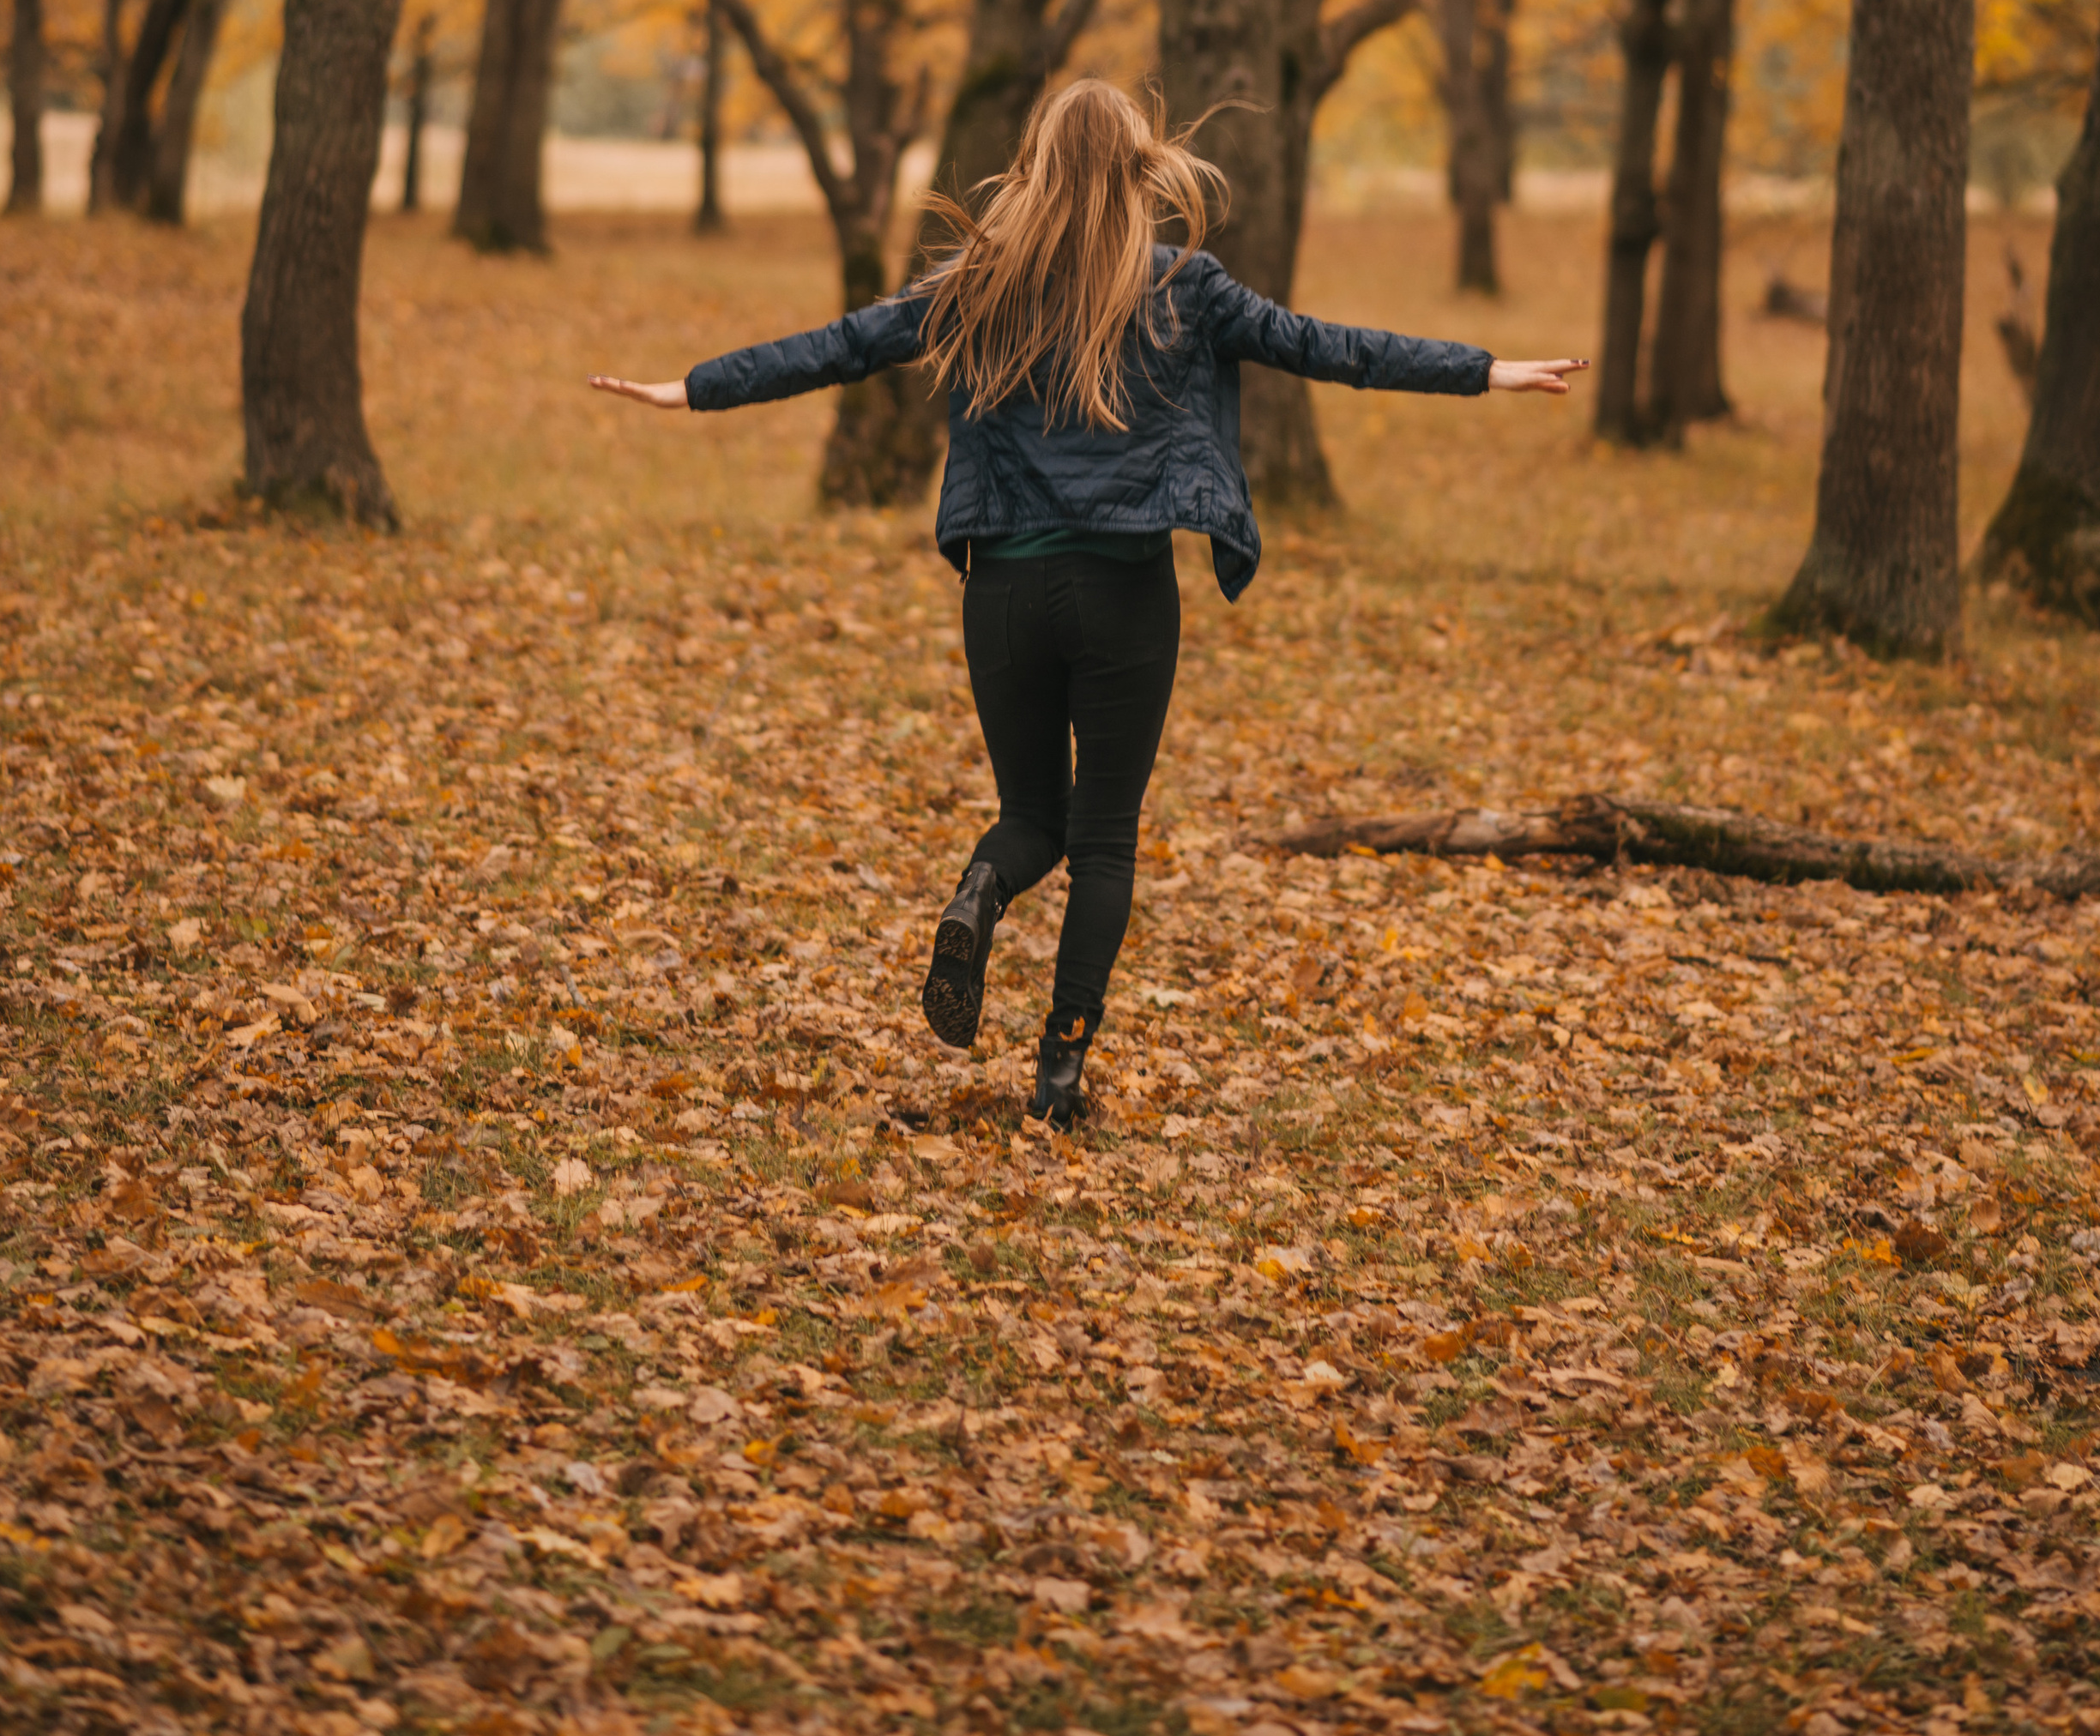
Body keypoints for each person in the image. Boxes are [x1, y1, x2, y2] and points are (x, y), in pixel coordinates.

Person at [592, 80, 1584, 1125]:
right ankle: (1058, 1072)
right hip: (1123, 598)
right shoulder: (1185, 288)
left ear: (1035, 162)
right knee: (1103, 839)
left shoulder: (976, 285)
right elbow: (1328, 347)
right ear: (1134, 169)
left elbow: (836, 348)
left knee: (1031, 818)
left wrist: (692, 388)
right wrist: (1486, 371)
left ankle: (981, 890)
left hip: (1004, 597)